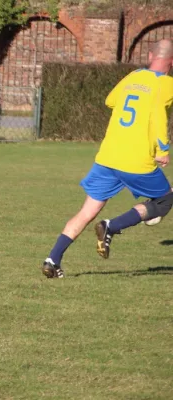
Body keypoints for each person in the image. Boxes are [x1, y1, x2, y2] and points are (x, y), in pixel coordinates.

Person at [42, 39, 173, 279]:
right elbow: (158, 117)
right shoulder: (166, 84)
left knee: (86, 211)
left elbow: (110, 101)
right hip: (136, 160)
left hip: (108, 157)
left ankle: (52, 259)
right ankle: (111, 226)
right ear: (171, 63)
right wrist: (163, 148)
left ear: (150, 56)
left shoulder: (133, 76)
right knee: (165, 199)